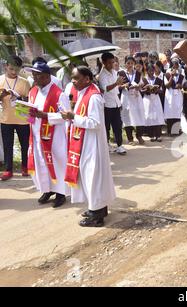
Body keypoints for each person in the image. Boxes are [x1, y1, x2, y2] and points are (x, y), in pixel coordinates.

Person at [61, 66, 116, 227]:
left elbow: (95, 122)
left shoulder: (94, 97)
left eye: (76, 78)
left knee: (93, 178)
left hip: (92, 144)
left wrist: (73, 116)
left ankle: (96, 216)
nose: (73, 81)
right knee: (89, 178)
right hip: (85, 142)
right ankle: (98, 209)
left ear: (87, 79)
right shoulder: (84, 93)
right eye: (72, 77)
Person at [27, 62, 70, 207]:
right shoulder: (33, 91)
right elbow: (31, 112)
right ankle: (47, 189)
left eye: (36, 75)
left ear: (46, 77)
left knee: (57, 163)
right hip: (37, 134)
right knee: (42, 163)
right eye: (33, 75)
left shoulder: (59, 94)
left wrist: (44, 115)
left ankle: (60, 193)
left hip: (54, 136)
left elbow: (66, 116)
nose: (34, 77)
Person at [0, 56, 31, 181]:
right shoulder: (0, 80)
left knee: (25, 144)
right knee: (8, 145)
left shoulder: (24, 82)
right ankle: (8, 170)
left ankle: (25, 167)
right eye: (11, 69)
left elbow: (29, 100)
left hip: (22, 118)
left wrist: (18, 98)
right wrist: (2, 95)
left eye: (16, 70)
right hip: (6, 118)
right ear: (6, 66)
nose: (13, 72)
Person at [98, 52, 127, 155]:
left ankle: (119, 146)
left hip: (115, 103)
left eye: (113, 62)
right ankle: (106, 144)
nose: (111, 65)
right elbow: (106, 88)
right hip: (106, 105)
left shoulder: (114, 72)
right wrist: (116, 83)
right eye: (109, 63)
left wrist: (119, 85)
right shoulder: (102, 75)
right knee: (106, 127)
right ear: (104, 62)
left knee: (118, 125)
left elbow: (115, 89)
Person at [118, 56, 146, 145]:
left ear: (134, 64)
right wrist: (123, 86)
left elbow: (142, 83)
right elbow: (117, 85)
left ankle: (139, 135)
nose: (130, 65)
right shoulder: (121, 73)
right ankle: (130, 138)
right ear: (125, 64)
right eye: (128, 63)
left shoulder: (138, 73)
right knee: (127, 116)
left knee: (139, 114)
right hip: (126, 96)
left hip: (136, 96)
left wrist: (140, 85)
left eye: (131, 63)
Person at [142, 64, 165, 142]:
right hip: (147, 99)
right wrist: (146, 89)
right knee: (149, 116)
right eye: (149, 71)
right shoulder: (144, 79)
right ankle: (151, 134)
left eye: (152, 70)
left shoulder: (158, 80)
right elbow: (141, 90)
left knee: (157, 116)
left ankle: (158, 135)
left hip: (156, 99)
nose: (151, 72)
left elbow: (162, 90)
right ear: (147, 71)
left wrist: (157, 90)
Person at [164, 59, 184, 136]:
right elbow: (167, 85)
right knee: (170, 112)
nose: (175, 66)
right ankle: (169, 130)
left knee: (177, 112)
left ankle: (175, 131)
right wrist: (172, 76)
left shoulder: (181, 73)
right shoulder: (167, 73)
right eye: (173, 65)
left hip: (178, 95)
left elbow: (184, 85)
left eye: (176, 64)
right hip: (170, 95)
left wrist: (180, 86)